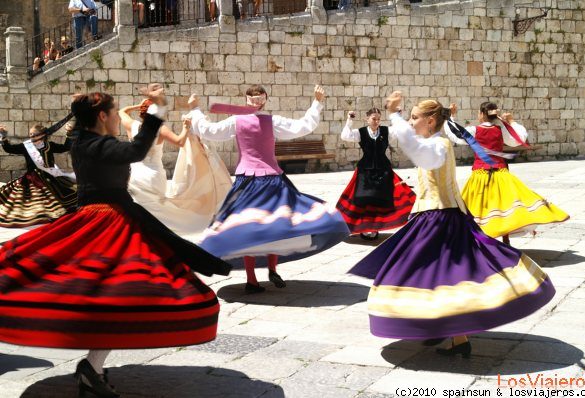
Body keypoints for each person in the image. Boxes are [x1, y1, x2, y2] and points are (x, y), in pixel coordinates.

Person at [0, 86, 231, 397]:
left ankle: (91, 368)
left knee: (111, 293)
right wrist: (156, 114)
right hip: (109, 223)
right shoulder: (97, 144)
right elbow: (135, 152)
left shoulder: (83, 141)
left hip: (105, 218)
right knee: (122, 292)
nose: (116, 117)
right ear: (102, 116)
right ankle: (91, 367)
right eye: (114, 111)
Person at [349, 92, 555, 357]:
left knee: (418, 272)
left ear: (431, 120)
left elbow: (416, 150)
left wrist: (395, 116)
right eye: (410, 118)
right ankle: (458, 338)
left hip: (438, 220)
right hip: (438, 217)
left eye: (415, 118)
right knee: (445, 275)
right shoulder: (435, 143)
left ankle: (435, 327)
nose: (411, 123)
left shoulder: (437, 146)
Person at [189, 84, 350, 293]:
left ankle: (262, 275)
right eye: (253, 99)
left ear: (263, 100)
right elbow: (303, 126)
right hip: (260, 180)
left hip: (259, 180)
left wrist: (195, 110)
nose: (256, 102)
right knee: (266, 223)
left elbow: (209, 131)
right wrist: (316, 104)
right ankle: (256, 277)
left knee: (260, 224)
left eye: (259, 99)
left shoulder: (257, 121)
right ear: (247, 100)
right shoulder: (256, 121)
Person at [445, 102, 569, 244]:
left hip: (480, 175)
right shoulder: (501, 130)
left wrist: (450, 116)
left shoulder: (474, 130)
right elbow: (519, 139)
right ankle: (505, 239)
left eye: (479, 112)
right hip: (501, 173)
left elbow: (456, 135)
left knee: (478, 207)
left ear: (481, 114)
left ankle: (479, 240)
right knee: (504, 205)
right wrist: (511, 121)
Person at [119, 92, 231, 241]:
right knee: (157, 208)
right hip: (154, 175)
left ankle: (141, 237)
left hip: (136, 175)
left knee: (139, 207)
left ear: (142, 112)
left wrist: (138, 105)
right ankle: (160, 236)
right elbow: (180, 141)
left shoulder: (132, 125)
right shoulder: (160, 129)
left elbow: (122, 111)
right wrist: (185, 127)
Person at [336, 108, 416, 240]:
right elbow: (345, 136)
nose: (376, 121)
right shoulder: (360, 132)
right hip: (365, 170)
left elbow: (400, 130)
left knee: (382, 200)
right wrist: (349, 120)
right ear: (367, 119)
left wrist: (398, 116)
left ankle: (376, 227)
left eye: (378, 119)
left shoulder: (386, 131)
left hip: (383, 170)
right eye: (374, 119)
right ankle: (364, 228)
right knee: (363, 199)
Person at [0, 115, 77, 228]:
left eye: (34, 134)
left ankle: (53, 214)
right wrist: (4, 136)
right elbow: (9, 149)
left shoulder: (49, 146)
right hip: (32, 177)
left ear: (42, 135)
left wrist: (69, 134)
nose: (31, 136)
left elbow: (65, 147)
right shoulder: (26, 146)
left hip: (50, 177)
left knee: (61, 194)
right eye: (30, 134)